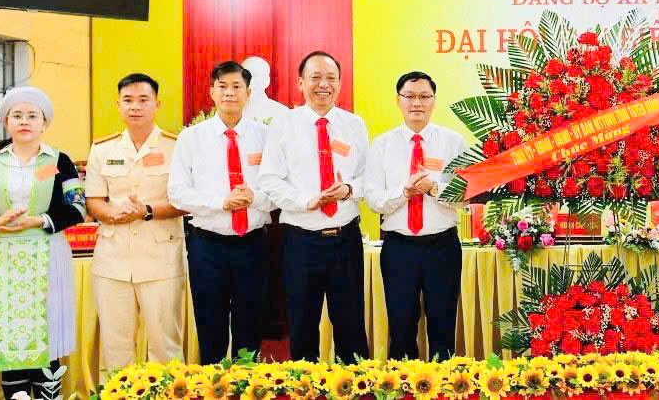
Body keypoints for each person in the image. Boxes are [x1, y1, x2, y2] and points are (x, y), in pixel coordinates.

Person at [0, 87, 84, 400]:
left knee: (45, 329)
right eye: (17, 115)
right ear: (6, 121)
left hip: (48, 253)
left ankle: (47, 392)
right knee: (10, 330)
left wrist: (39, 221)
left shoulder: (57, 161)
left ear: (45, 123)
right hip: (3, 257)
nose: (24, 121)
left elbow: (77, 206)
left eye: (32, 116)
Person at [259, 50, 370, 363]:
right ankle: (305, 383)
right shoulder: (284, 124)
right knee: (302, 324)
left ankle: (354, 384)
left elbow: (369, 177)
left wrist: (348, 189)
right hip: (300, 239)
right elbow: (269, 178)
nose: (324, 85)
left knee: (351, 326)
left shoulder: (354, 125)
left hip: (345, 239)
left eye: (331, 78)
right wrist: (305, 202)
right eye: (315, 78)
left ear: (340, 84)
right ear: (300, 83)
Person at [169, 61, 274, 364]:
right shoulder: (191, 138)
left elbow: (278, 188)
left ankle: (247, 382)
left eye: (237, 86)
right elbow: (177, 192)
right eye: (222, 86)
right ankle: (212, 383)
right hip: (207, 246)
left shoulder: (266, 136)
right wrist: (221, 203)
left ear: (248, 93)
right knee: (210, 324)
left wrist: (255, 197)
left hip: (253, 244)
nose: (230, 93)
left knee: (250, 324)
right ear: (211, 92)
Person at [84, 73, 185, 381]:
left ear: (157, 104)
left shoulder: (177, 146)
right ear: (118, 105)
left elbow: (185, 201)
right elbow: (94, 199)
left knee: (165, 344)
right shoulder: (102, 148)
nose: (135, 107)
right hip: (113, 258)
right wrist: (111, 214)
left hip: (161, 258)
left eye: (143, 100)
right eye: (127, 100)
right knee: (115, 346)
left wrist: (147, 211)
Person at [365, 71, 467, 360]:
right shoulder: (382, 145)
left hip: (442, 247)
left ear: (434, 100)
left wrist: (434, 188)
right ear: (398, 101)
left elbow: (466, 196)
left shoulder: (454, 142)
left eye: (424, 96)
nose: (417, 103)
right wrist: (404, 192)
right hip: (399, 248)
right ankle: (403, 380)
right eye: (409, 96)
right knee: (401, 327)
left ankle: (444, 381)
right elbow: (373, 199)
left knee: (443, 326)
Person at [240, 56, 290, 125]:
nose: (249, 82)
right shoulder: (227, 110)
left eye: (255, 76)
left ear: (266, 81)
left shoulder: (281, 113)